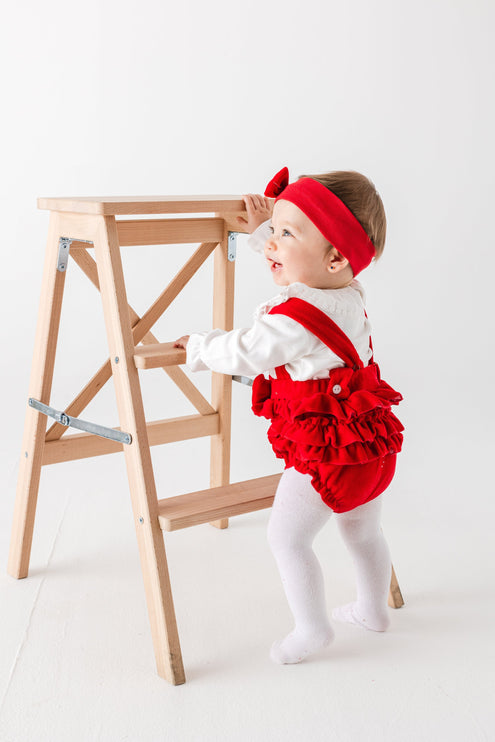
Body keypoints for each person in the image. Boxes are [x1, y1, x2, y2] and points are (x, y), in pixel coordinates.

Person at [174, 167, 403, 665]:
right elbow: (307, 266)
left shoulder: (294, 319)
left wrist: (199, 345)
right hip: (368, 448)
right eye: (273, 232)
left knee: (286, 538)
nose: (272, 245)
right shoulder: (348, 294)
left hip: (325, 457)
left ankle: (312, 629)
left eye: (285, 234)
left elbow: (245, 352)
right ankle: (373, 608)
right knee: (363, 532)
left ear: (336, 256)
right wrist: (267, 231)